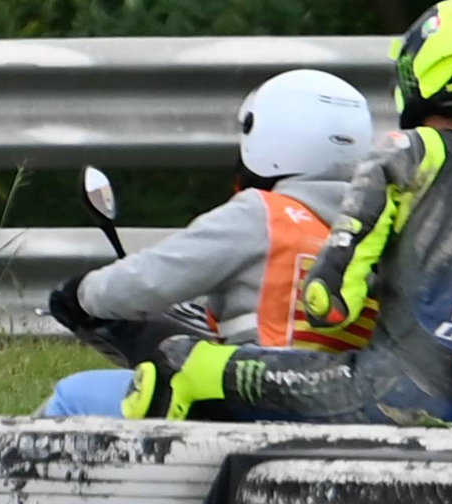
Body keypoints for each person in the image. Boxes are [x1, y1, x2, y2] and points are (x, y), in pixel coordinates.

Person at [121, 0, 452, 429]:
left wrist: (340, 293)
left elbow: (330, 302)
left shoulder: (407, 152)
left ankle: (174, 447)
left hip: (388, 393)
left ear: (422, 68)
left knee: (187, 362)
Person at [38, 68, 376, 416]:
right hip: (340, 413)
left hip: (252, 404)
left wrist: (82, 294)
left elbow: (151, 278)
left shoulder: (263, 215)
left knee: (73, 396)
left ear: (269, 137)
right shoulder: (374, 237)